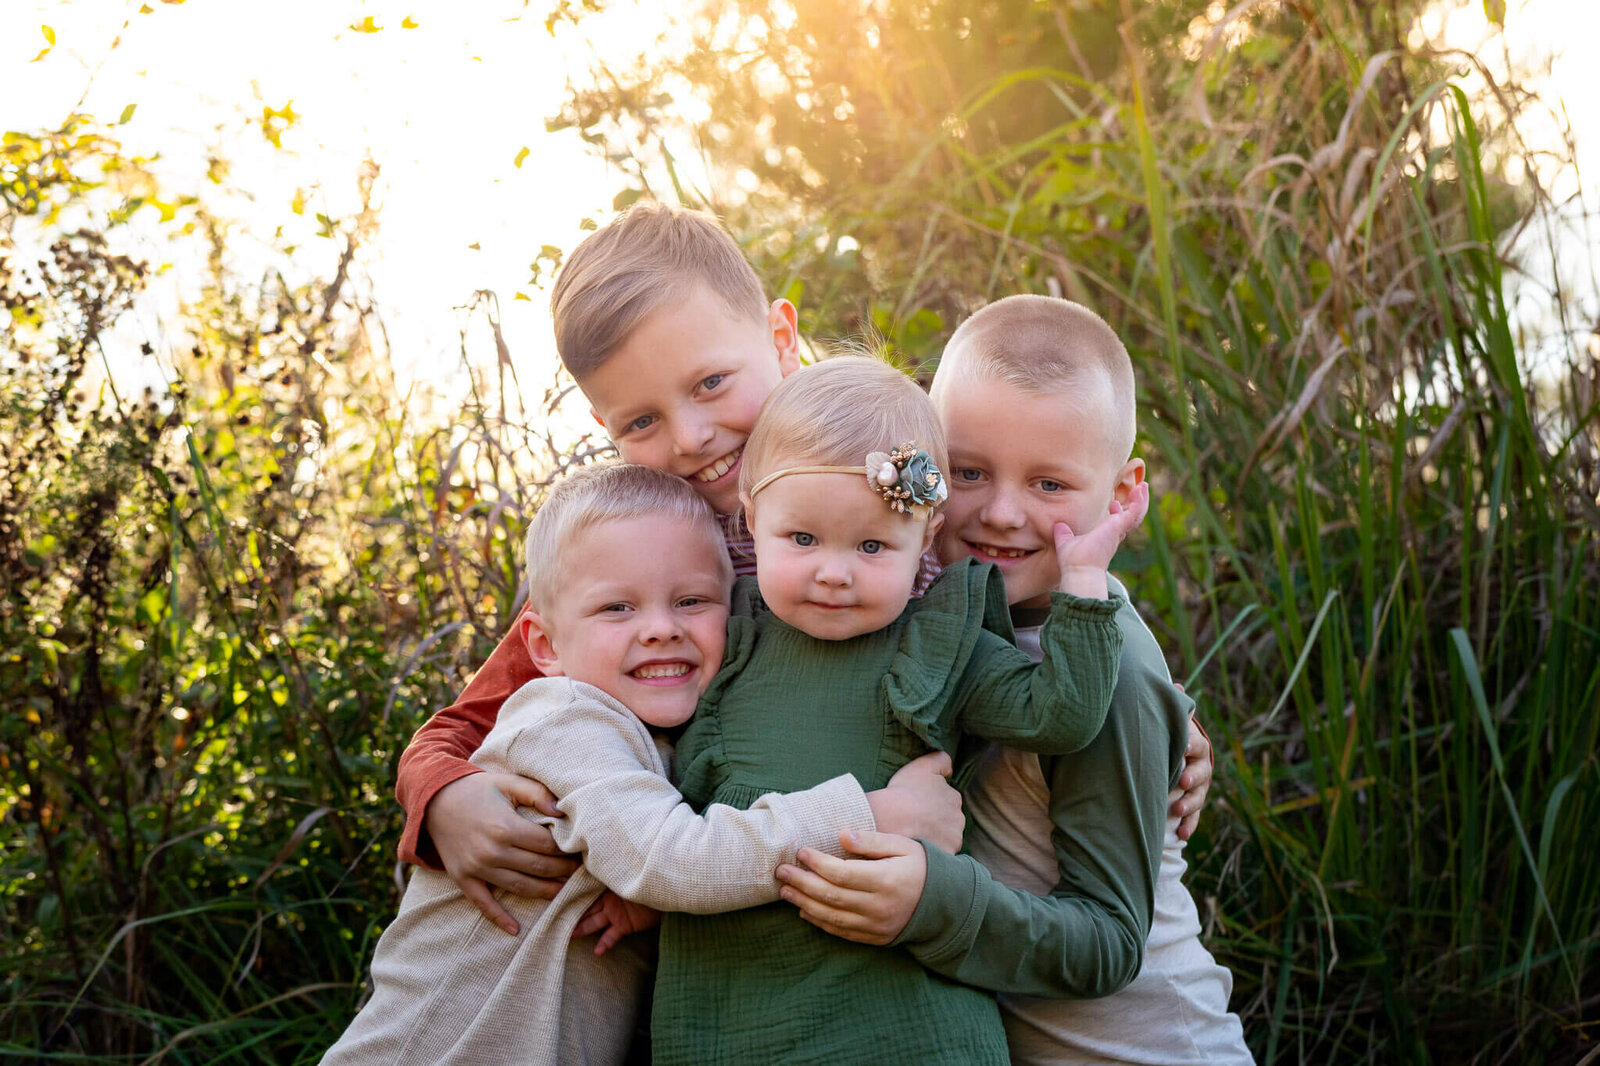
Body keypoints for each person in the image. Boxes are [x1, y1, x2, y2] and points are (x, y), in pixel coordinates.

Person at [393, 202, 1213, 940]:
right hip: (713, 883)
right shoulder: (638, 546)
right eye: (641, 420)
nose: (689, 437)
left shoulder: (877, 462)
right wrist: (440, 797)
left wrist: (1157, 717)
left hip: (880, 877)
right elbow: (484, 709)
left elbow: (1018, 561)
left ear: (781, 339)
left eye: (712, 383)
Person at [776, 296, 1253, 1064]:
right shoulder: (929, 598)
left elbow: (1110, 942)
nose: (1001, 513)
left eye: (1050, 486)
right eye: (968, 471)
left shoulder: (1114, 676)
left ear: (1124, 494)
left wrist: (932, 903)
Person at [649, 354, 1148, 1064]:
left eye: (874, 545)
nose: (833, 570)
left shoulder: (936, 643)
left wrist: (1087, 585)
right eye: (802, 539)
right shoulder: (719, 627)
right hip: (729, 1005)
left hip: (901, 1020)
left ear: (927, 538)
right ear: (754, 517)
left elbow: (1061, 715)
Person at [323, 463, 909, 1065]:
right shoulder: (566, 716)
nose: (660, 629)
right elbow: (674, 862)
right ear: (546, 647)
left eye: (691, 601)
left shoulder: (657, 736)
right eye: (616, 609)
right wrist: (870, 815)